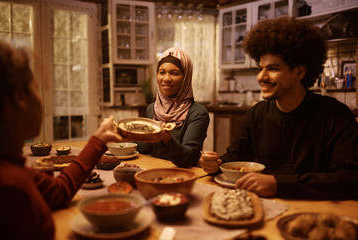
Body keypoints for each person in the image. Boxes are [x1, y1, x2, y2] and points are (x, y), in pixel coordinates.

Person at [200, 16, 358, 200]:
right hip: (263, 208)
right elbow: (234, 158)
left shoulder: (335, 116)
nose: (261, 77)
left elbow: (350, 179)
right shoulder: (256, 114)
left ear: (299, 72)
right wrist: (215, 163)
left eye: (272, 68)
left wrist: (278, 184)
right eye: (261, 68)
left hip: (317, 214)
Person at [0, 41, 126, 240]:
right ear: (19, 97)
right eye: (36, 88)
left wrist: (98, 140)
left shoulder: (15, 171)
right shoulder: (11, 190)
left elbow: (59, 191)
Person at [137, 47, 210, 167]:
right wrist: (131, 134)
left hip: (185, 176)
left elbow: (189, 157)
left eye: (174, 73)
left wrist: (168, 140)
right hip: (154, 172)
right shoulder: (152, 109)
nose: (166, 79)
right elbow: (144, 150)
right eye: (162, 72)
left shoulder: (197, 113)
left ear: (186, 77)